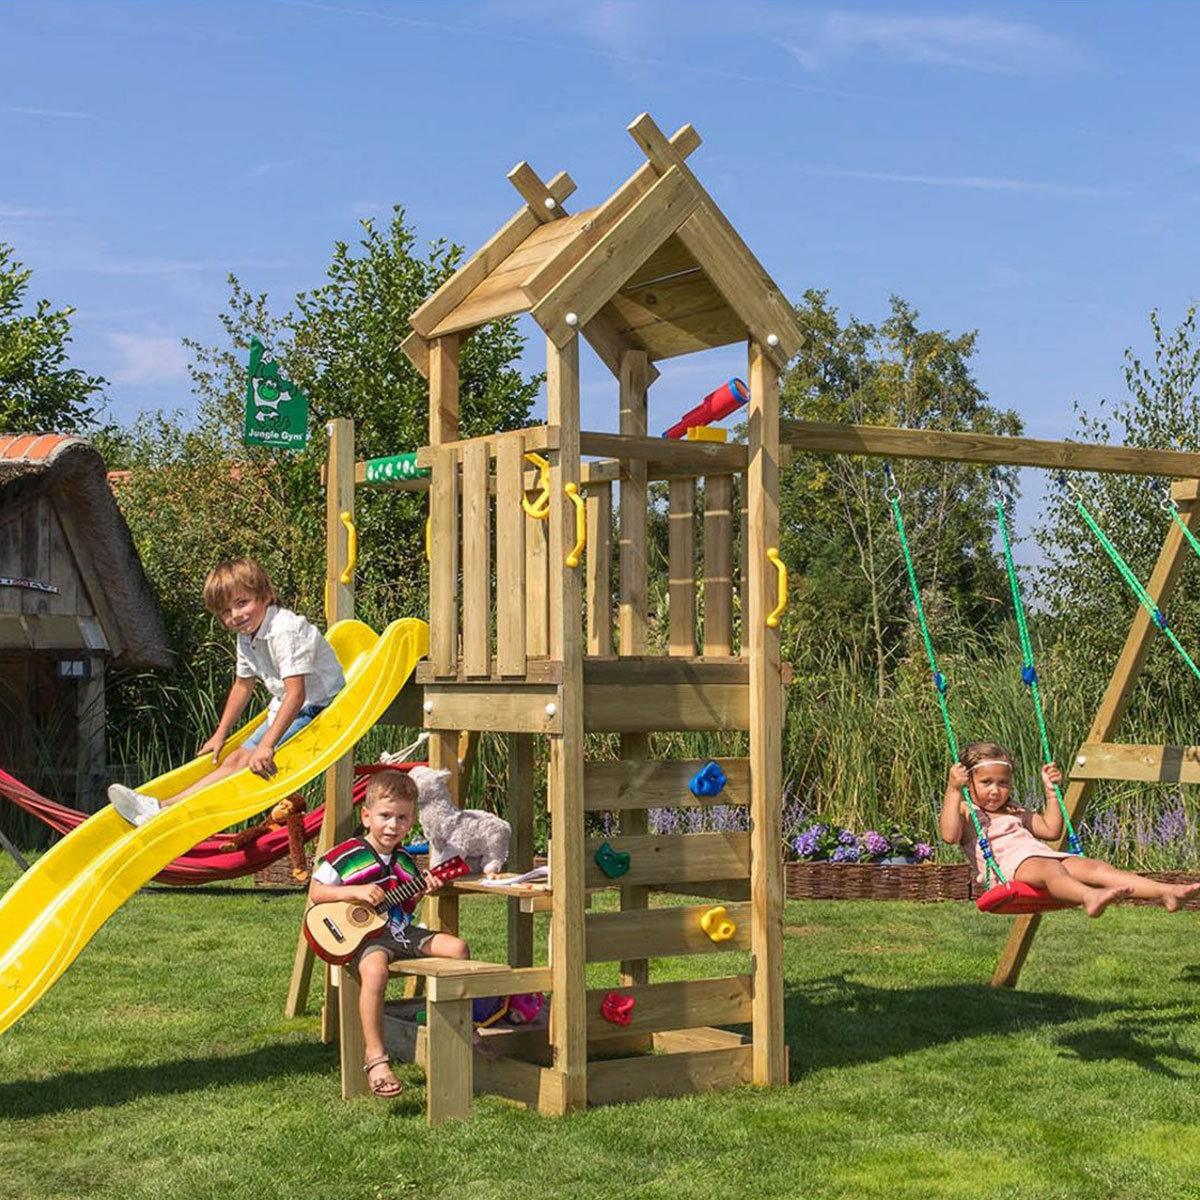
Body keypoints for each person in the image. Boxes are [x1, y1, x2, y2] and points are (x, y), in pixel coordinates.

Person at [107, 558, 345, 826]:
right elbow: (243, 685)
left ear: (266, 595)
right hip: (287, 704)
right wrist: (220, 734)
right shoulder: (246, 634)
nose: (235, 616)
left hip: (318, 707)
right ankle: (162, 808)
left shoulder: (284, 630)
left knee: (247, 763)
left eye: (242, 603)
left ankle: (168, 810)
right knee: (234, 759)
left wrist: (266, 745)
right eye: (225, 612)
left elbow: (296, 694)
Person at [308, 769, 470, 1098]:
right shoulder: (346, 855)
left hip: (399, 932)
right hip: (365, 939)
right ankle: (376, 1057)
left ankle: (461, 1032)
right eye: (385, 816)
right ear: (367, 816)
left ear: (411, 822)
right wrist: (354, 892)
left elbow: (405, 905)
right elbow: (317, 892)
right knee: (375, 970)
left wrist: (423, 889)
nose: (393, 825)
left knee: (458, 949)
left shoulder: (405, 861)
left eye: (402, 818)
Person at [941, 741, 1200, 918]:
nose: (996, 790)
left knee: (1096, 867)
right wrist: (953, 790)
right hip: (1009, 870)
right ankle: (1089, 896)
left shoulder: (1014, 809)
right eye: (986, 782)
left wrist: (1051, 793)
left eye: (1003, 783)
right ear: (968, 783)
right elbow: (949, 835)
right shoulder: (967, 811)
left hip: (1042, 859)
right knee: (1051, 869)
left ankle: (1165, 892)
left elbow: (1051, 830)